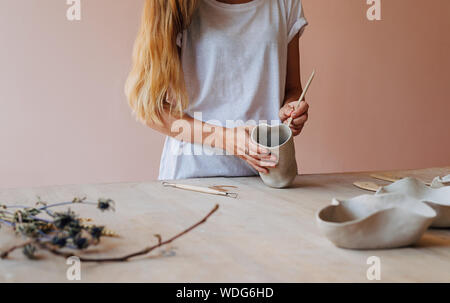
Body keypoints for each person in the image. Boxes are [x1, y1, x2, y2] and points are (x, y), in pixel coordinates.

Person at [125, 0, 309, 180]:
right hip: (193, 178)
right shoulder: (177, 5)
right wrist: (225, 138)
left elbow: (292, 88)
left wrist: (292, 108)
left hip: (269, 175)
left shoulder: (285, 4)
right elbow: (151, 110)